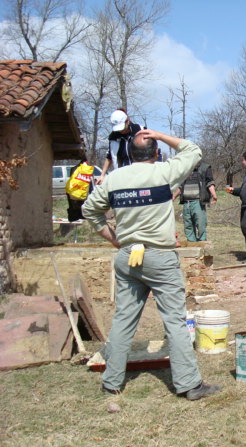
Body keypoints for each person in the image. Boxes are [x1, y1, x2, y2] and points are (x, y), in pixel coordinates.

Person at [82, 129, 221, 401]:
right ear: (156, 153)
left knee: (123, 319)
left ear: (130, 155)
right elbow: (193, 150)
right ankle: (188, 385)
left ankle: (112, 381)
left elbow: (90, 211)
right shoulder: (163, 173)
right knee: (175, 321)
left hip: (127, 257)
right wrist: (158, 133)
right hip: (159, 257)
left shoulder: (113, 179)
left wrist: (114, 240)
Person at [95, 109, 144, 185]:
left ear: (127, 121)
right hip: (122, 177)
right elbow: (109, 156)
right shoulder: (113, 137)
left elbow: (151, 151)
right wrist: (102, 175)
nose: (121, 131)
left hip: (140, 176)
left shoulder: (140, 130)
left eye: (122, 128)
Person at [174, 162, 217, 242]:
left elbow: (210, 183)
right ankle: (192, 244)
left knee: (201, 225)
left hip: (198, 202)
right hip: (186, 203)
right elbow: (180, 187)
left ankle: (202, 244)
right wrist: (173, 196)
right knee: (188, 226)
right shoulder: (185, 169)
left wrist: (214, 195)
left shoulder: (204, 168)